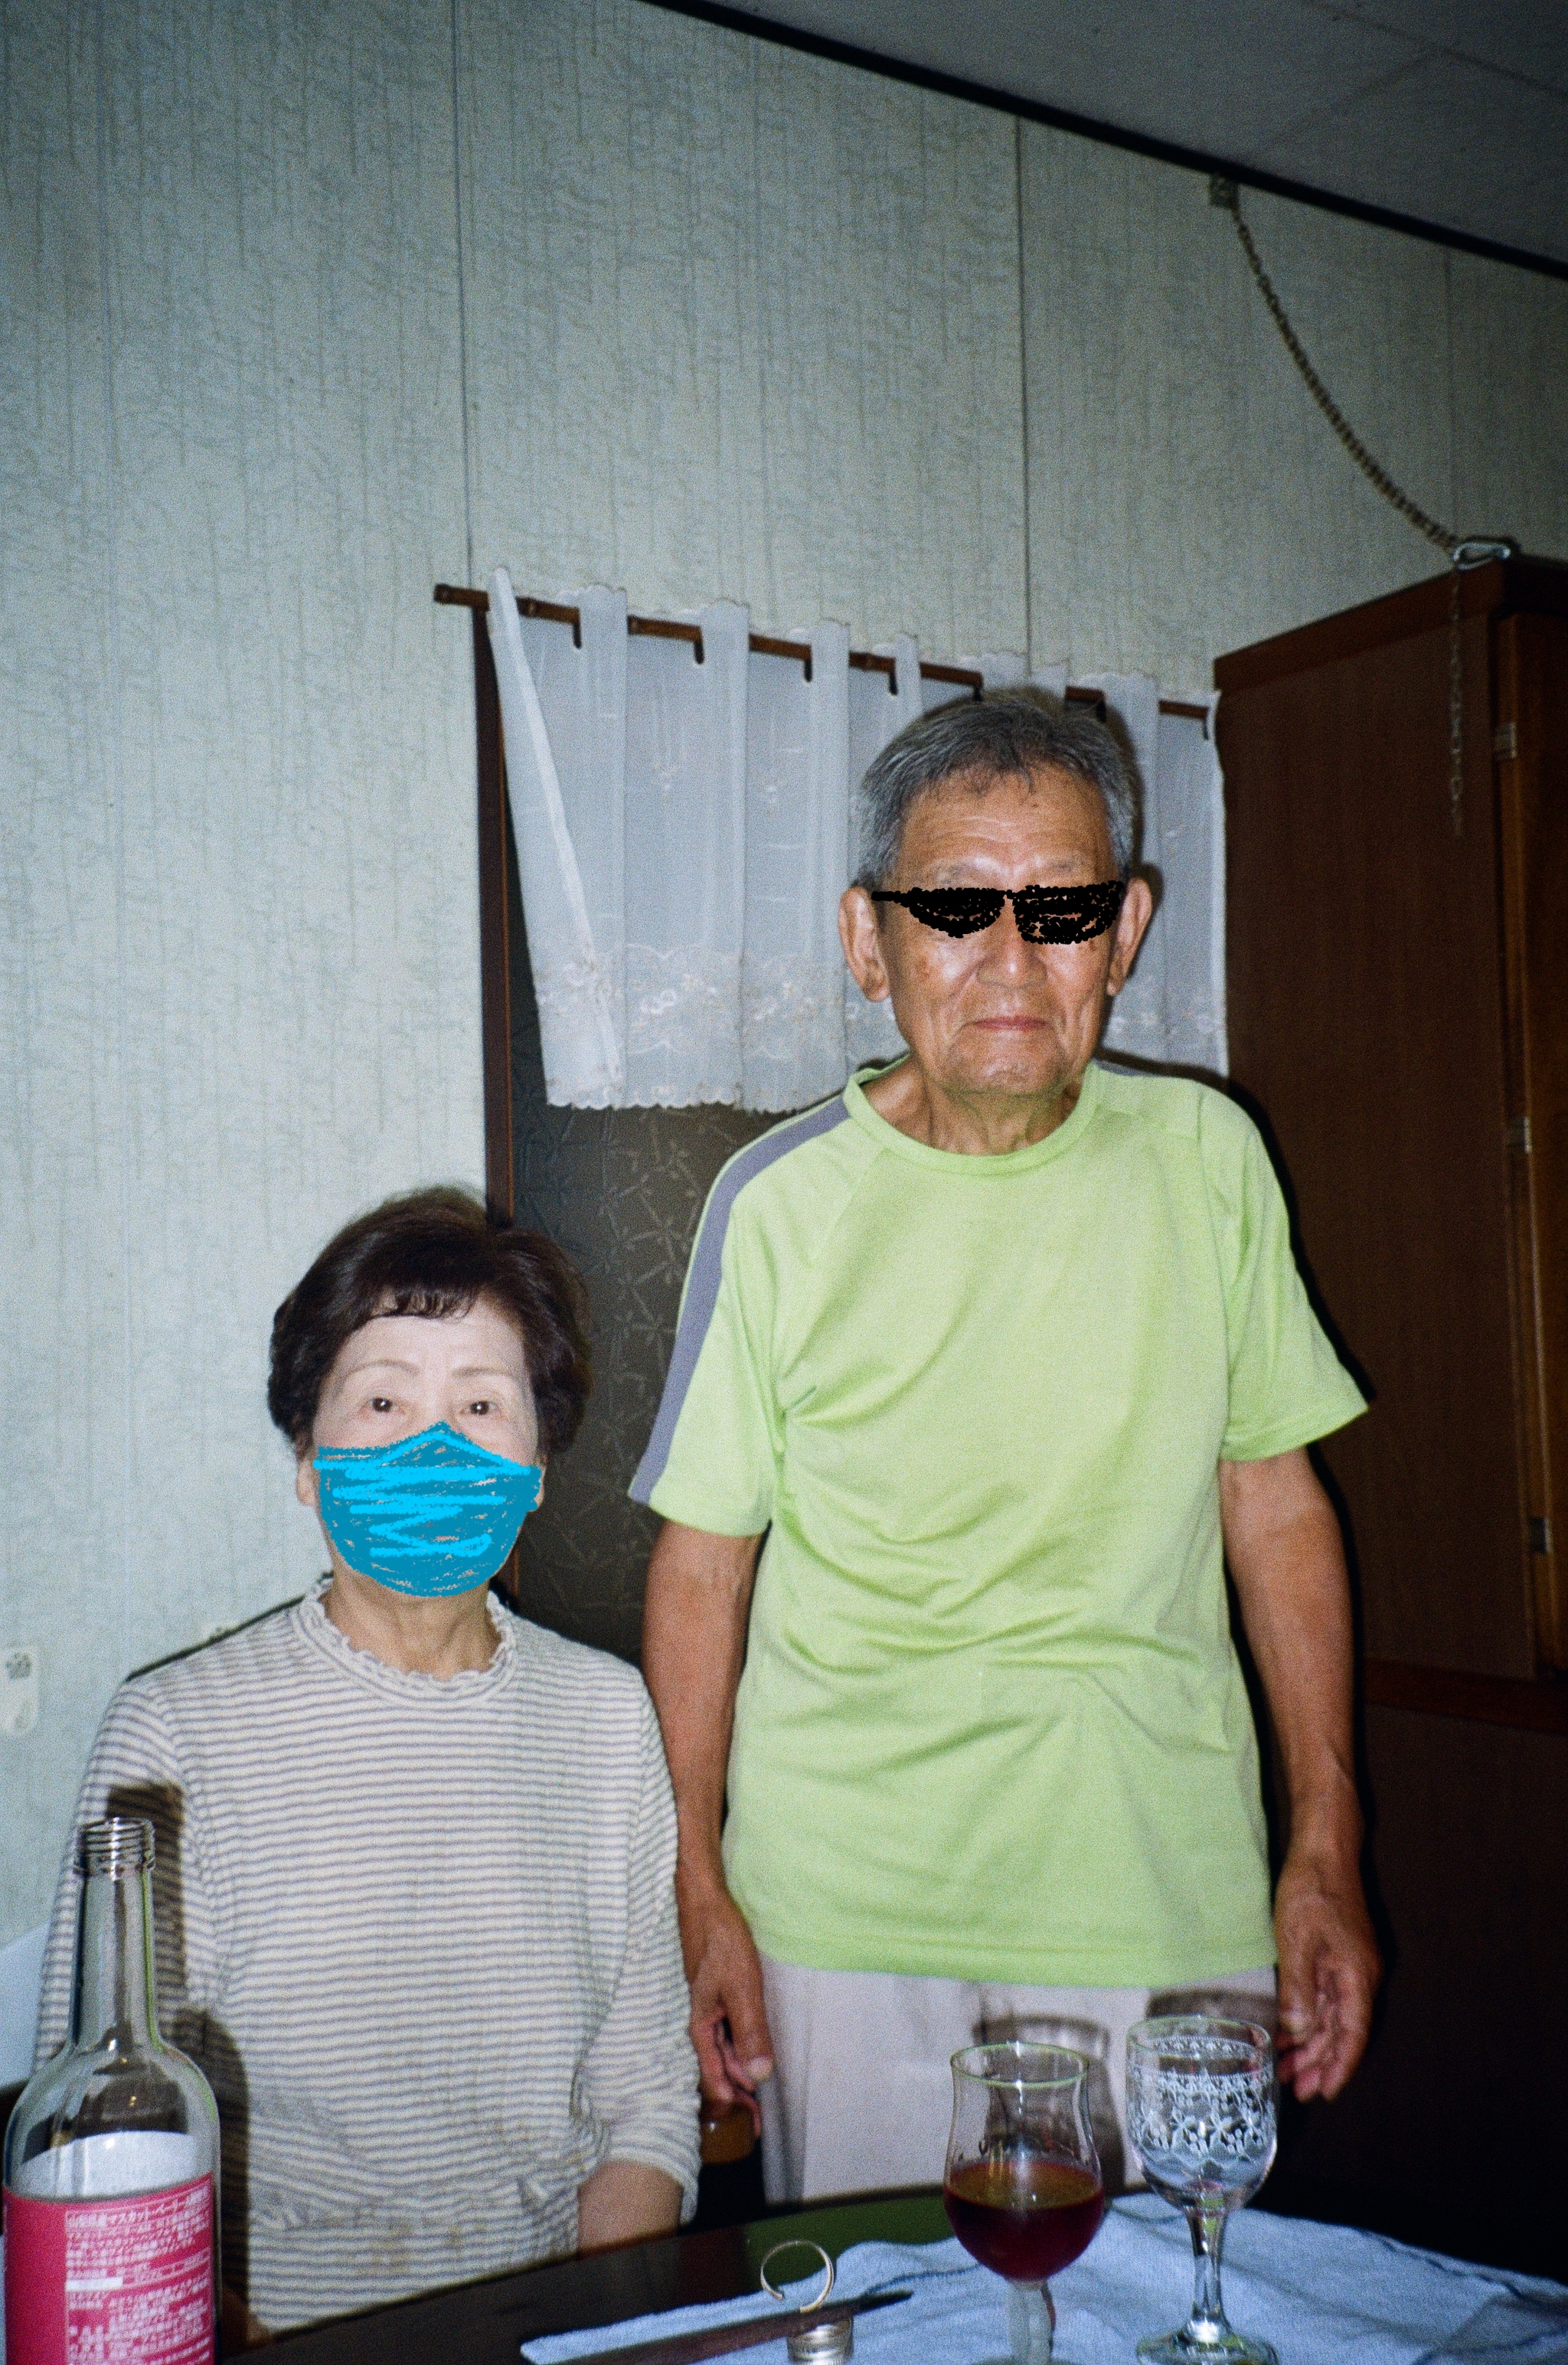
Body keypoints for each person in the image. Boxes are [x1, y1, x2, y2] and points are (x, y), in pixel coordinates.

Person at [634, 689, 1381, 2204]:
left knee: (1178, 2310)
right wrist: (696, 1883)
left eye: (1059, 911)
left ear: (1125, 931)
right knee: (886, 2317)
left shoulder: (1209, 1164)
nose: (1008, 963)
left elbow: (1274, 1507)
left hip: (1161, 1891)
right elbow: (703, 1568)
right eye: (954, 910)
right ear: (869, 942)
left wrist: (1324, 1840)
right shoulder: (773, 1206)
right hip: (841, 1911)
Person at [35, 1190, 700, 2337]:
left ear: (538, 1464)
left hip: (551, 2320)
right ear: (308, 1459)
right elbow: (103, 2153)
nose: (432, 1446)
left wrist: (603, 2330)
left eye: (481, 1404)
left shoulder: (604, 1716)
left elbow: (645, 2107)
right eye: (384, 1398)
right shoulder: (175, 1736)